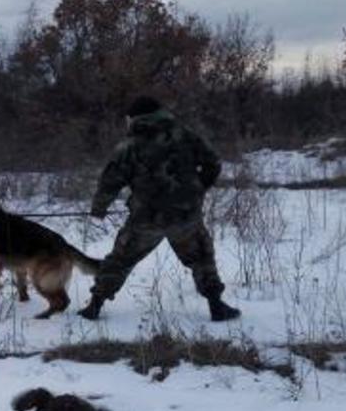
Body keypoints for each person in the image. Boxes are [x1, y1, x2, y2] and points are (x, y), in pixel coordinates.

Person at [78, 96, 241, 322]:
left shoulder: (129, 146)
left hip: (145, 219)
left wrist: (99, 208)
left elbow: (110, 181)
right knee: (202, 258)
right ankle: (216, 306)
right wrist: (198, 188)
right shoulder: (186, 135)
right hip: (185, 215)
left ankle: (94, 306)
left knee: (120, 260)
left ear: (134, 118)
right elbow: (213, 162)